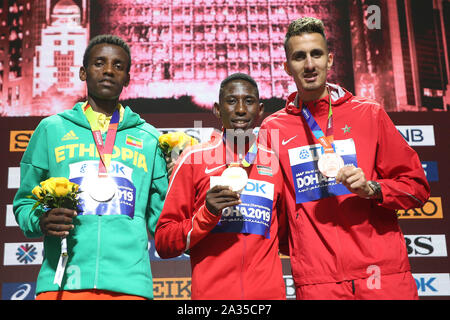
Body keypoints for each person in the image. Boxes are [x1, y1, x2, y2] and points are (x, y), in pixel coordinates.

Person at [259, 17, 430, 300]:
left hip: (383, 277)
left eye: (316, 54)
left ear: (330, 59)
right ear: (287, 67)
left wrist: (372, 189)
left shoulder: (369, 113)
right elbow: (269, 208)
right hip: (318, 283)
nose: (310, 64)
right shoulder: (273, 129)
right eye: (299, 57)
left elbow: (417, 187)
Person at [13, 35, 168, 300]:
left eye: (118, 66)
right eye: (99, 63)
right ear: (83, 72)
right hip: (61, 283)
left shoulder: (149, 138)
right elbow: (24, 202)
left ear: (128, 78)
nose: (108, 70)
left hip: (129, 286)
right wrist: (40, 219)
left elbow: (163, 219)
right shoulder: (52, 129)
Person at [154, 73, 287, 300]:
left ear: (261, 109)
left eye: (249, 101)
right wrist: (207, 214)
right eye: (232, 101)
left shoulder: (274, 164)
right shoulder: (193, 159)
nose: (241, 109)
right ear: (217, 109)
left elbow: (285, 237)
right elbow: (164, 243)